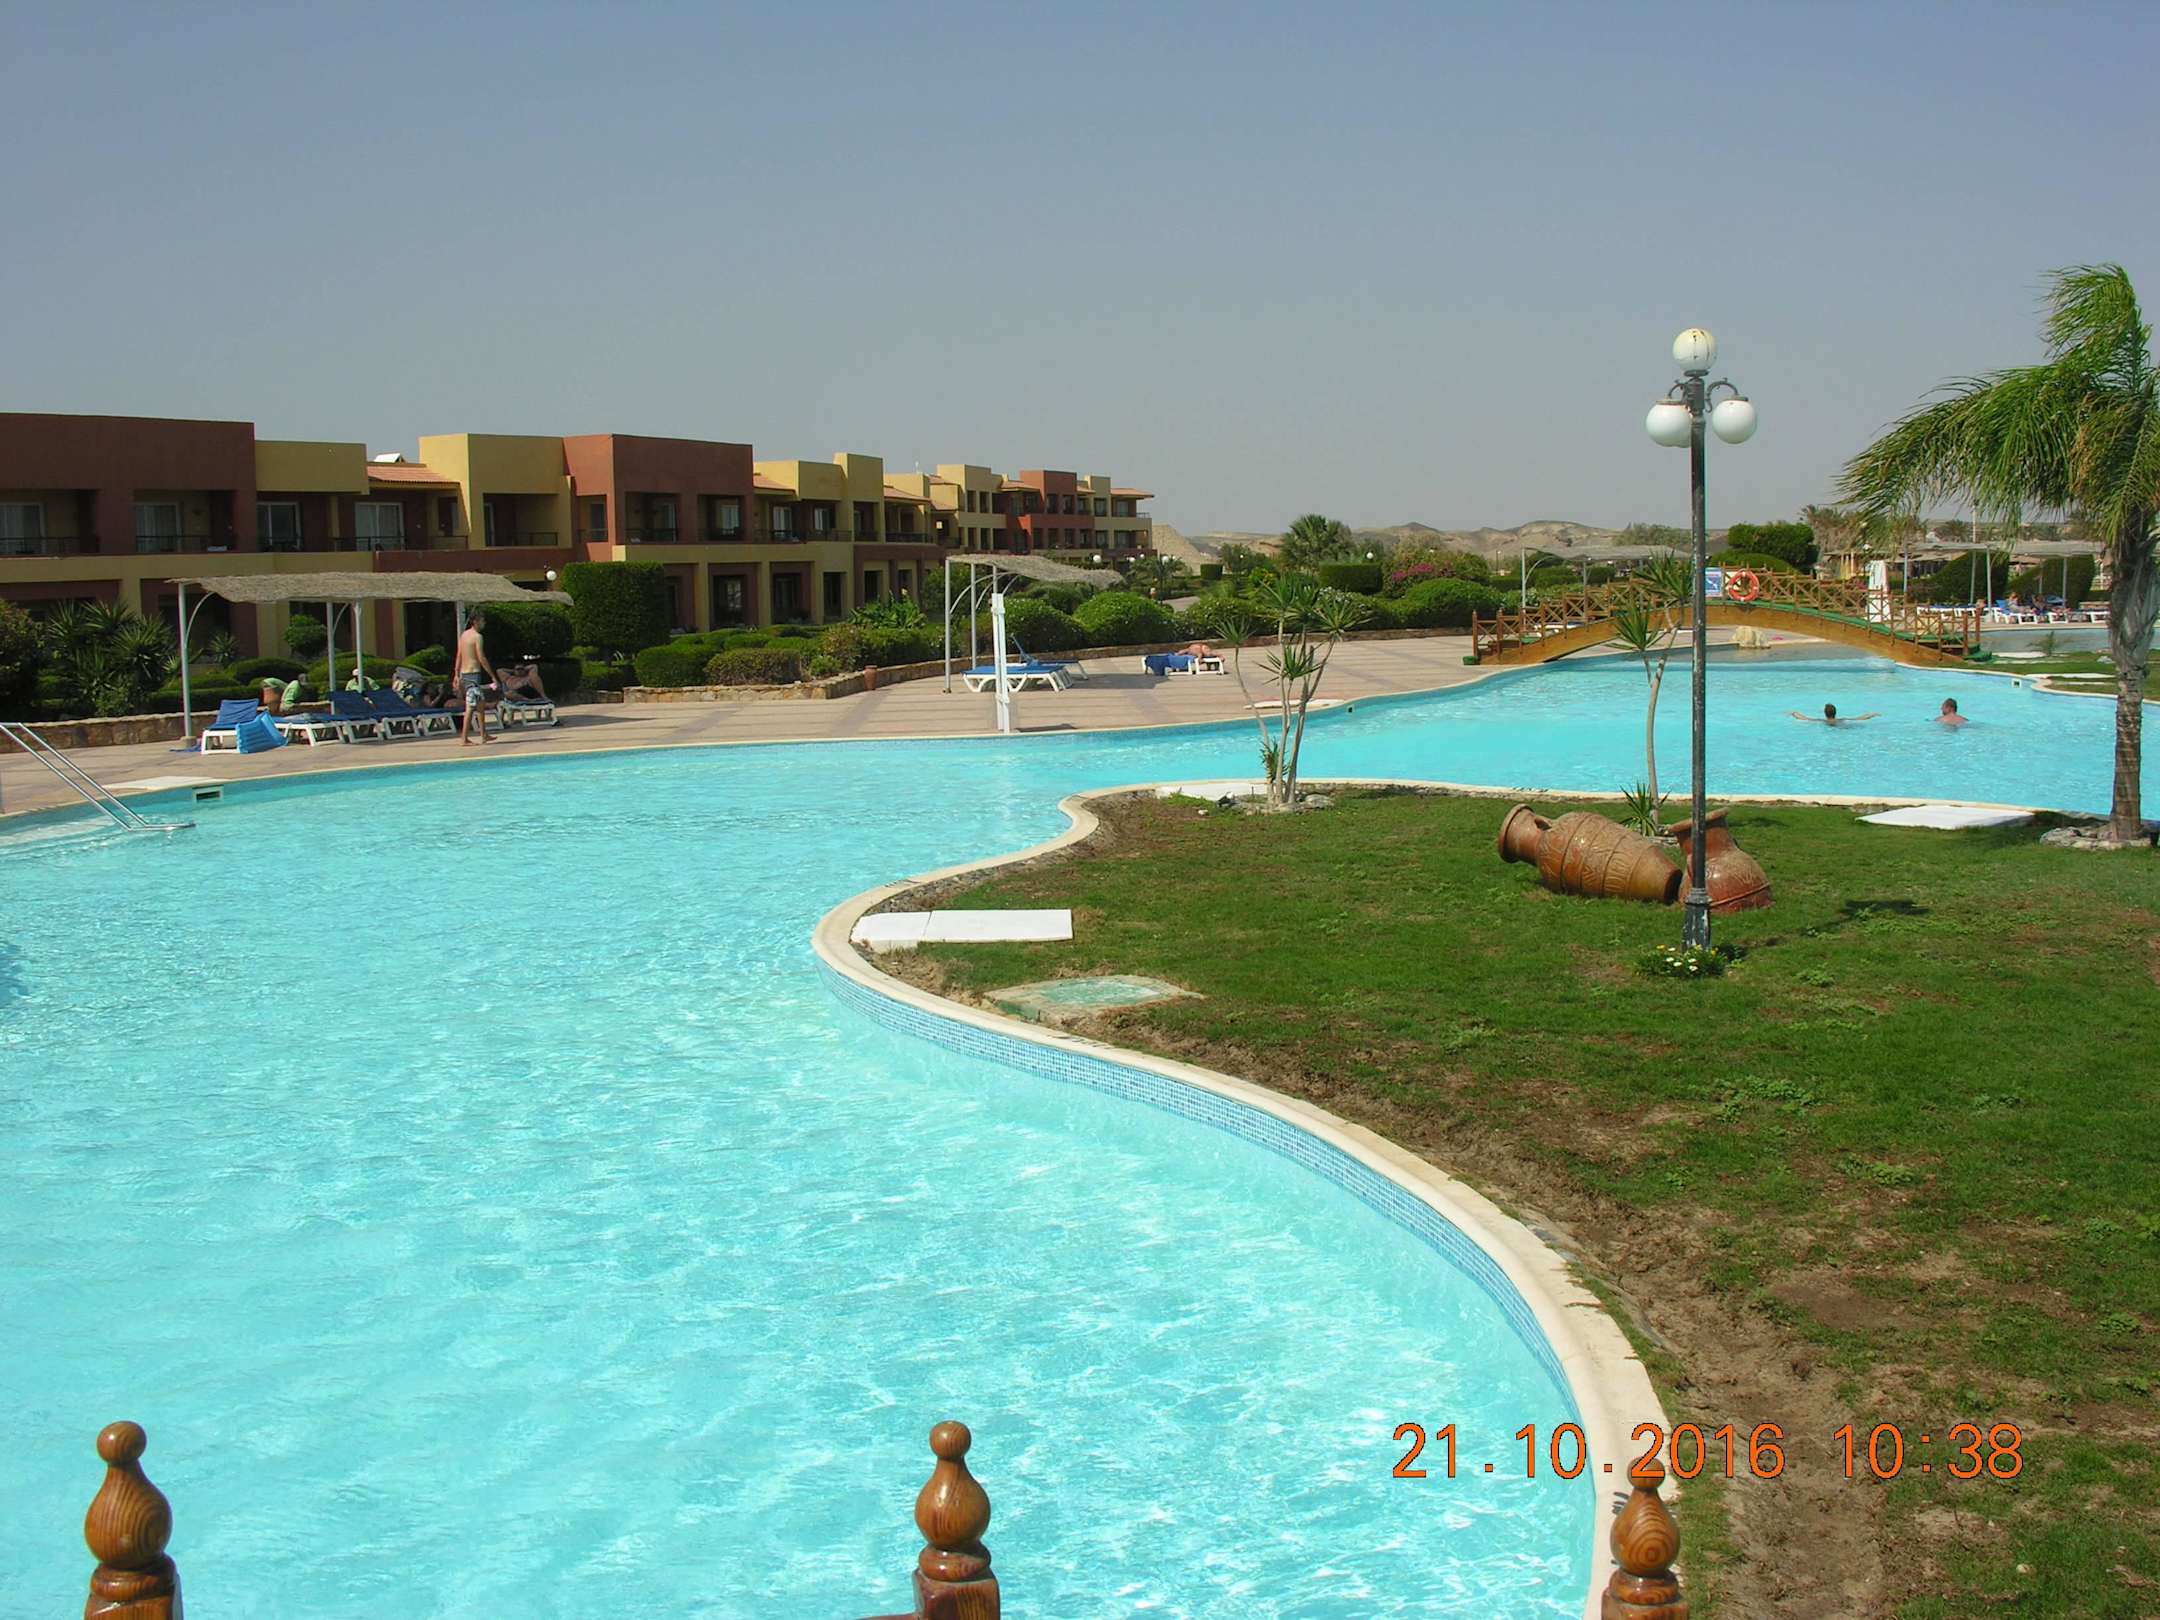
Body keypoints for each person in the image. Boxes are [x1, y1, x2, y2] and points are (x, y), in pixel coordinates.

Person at [452, 609, 499, 745]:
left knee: (480, 705)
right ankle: (464, 738)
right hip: (473, 676)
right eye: (482, 620)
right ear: (475, 621)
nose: (484, 623)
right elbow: (481, 657)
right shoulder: (477, 637)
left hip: (465, 674)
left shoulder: (464, 635)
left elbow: (459, 655)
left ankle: (484, 734)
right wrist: (492, 676)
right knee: (470, 707)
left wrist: (456, 674)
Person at [1789, 703, 1879, 726]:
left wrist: (1794, 713)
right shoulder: (1842, 719)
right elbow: (1859, 718)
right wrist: (1871, 715)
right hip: (1841, 725)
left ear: (1825, 713)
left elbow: (1804, 718)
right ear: (1835, 712)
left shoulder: (1822, 721)